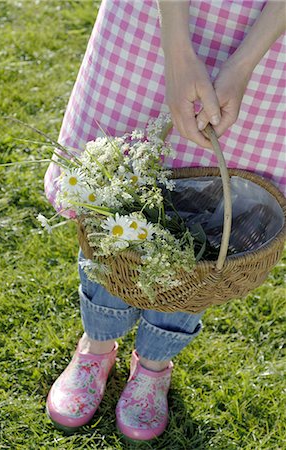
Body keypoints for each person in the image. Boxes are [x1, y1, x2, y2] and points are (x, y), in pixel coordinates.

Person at [44, 0, 286, 441]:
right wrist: (177, 54)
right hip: (160, 15)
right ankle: (97, 347)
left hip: (272, 42)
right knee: (113, 192)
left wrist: (244, 63)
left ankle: (154, 363)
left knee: (214, 220)